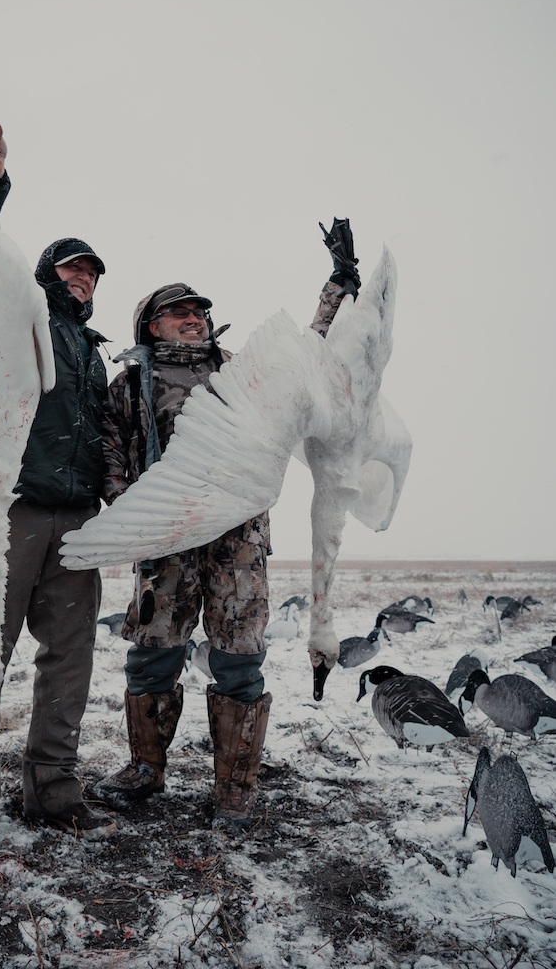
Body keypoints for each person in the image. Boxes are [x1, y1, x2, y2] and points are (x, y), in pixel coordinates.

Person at [95, 227, 359, 830]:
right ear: (150, 327)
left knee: (239, 656)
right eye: (177, 312)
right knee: (153, 653)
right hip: (168, 537)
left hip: (238, 540)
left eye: (198, 312)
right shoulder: (131, 385)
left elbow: (306, 356)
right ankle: (145, 770)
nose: (192, 319)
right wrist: (130, 510)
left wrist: (336, 288)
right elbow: (109, 451)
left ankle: (235, 788)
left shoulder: (241, 371)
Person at [0, 122, 115, 847]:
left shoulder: (94, 354)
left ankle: (53, 788)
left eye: (91, 275)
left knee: (68, 660)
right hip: (0, 509)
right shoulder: (13, 316)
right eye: (71, 268)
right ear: (44, 274)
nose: (82, 279)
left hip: (74, 520)